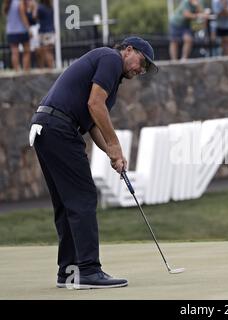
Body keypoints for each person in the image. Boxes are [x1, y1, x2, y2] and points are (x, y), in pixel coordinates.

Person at [29, 36, 158, 290]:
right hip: (58, 128)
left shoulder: (110, 75)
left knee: (68, 204)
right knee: (83, 197)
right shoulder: (110, 58)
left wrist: (113, 154)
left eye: (144, 69)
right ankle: (88, 270)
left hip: (47, 128)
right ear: (128, 50)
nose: (140, 70)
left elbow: (92, 123)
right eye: (141, 63)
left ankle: (69, 271)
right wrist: (117, 144)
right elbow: (95, 104)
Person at [2, 0, 32, 71]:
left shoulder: (7, 3)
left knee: (14, 53)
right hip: (21, 30)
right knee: (26, 51)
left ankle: (17, 71)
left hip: (11, 31)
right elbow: (23, 16)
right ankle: (25, 71)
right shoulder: (19, 2)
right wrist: (28, 29)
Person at [34, 0, 55, 68]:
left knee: (44, 52)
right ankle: (51, 67)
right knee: (49, 51)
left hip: (44, 32)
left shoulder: (40, 8)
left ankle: (46, 68)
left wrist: (35, 7)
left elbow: (34, 17)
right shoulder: (50, 7)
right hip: (51, 31)